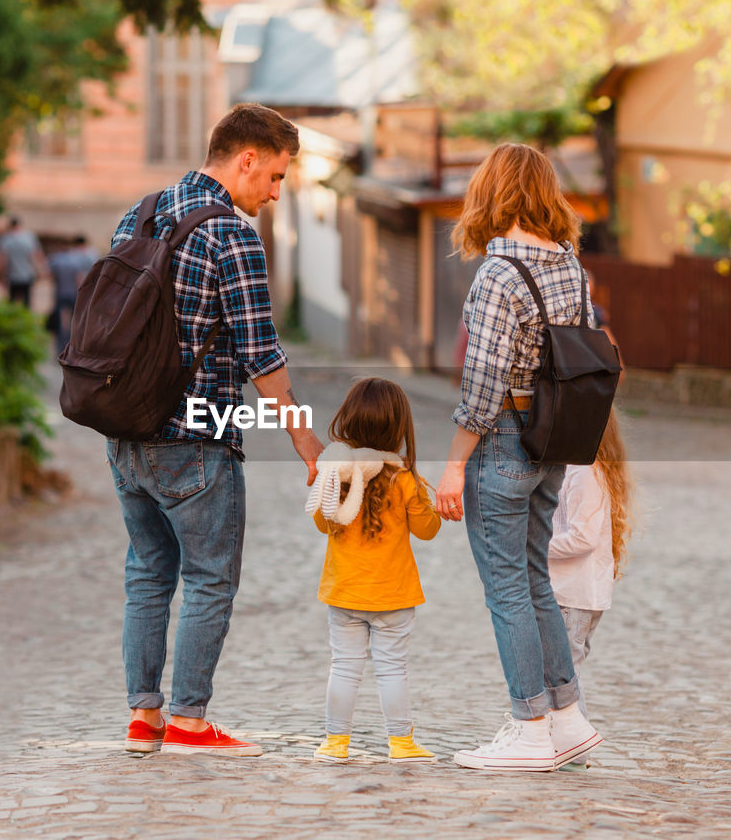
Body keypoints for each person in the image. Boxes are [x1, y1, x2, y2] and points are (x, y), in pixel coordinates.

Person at [113, 103, 323, 758]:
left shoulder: (140, 214)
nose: (277, 192)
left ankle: (143, 719)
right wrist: (304, 439)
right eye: (278, 176)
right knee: (209, 578)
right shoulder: (230, 232)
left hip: (126, 434)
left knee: (148, 573)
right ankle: (189, 723)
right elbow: (262, 355)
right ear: (247, 159)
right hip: (199, 439)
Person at [433, 143, 604, 772]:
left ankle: (530, 727)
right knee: (533, 578)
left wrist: (454, 465)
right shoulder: (573, 269)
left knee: (507, 584)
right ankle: (568, 717)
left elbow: (482, 385)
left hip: (504, 439)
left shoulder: (499, 275)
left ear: (492, 194)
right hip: (554, 441)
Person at [306, 378, 441, 765]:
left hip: (344, 593)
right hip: (393, 596)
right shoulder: (404, 481)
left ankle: (335, 743)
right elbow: (427, 531)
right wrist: (423, 497)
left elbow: (321, 523)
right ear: (398, 428)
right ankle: (401, 744)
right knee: (392, 669)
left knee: (344, 668)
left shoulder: (337, 477)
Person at [547, 411, 631, 768]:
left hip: (573, 593)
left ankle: (574, 746)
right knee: (565, 670)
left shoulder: (583, 472)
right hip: (578, 591)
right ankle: (566, 744)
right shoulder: (583, 468)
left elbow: (582, 537)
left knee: (565, 673)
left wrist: (536, 545)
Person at [48, 234, 97, 353]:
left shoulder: (57, 259)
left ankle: (61, 348)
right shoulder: (88, 255)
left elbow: (51, 276)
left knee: (62, 322)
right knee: (76, 321)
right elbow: (79, 278)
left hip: (61, 293)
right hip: (77, 293)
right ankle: (75, 347)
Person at [0, 216, 47, 307]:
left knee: (12, 302)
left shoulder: (5, 239)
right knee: (27, 301)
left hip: (12, 275)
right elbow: (38, 255)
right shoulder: (30, 237)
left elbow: (2, 260)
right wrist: (42, 271)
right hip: (27, 275)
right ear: (20, 225)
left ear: (10, 226)